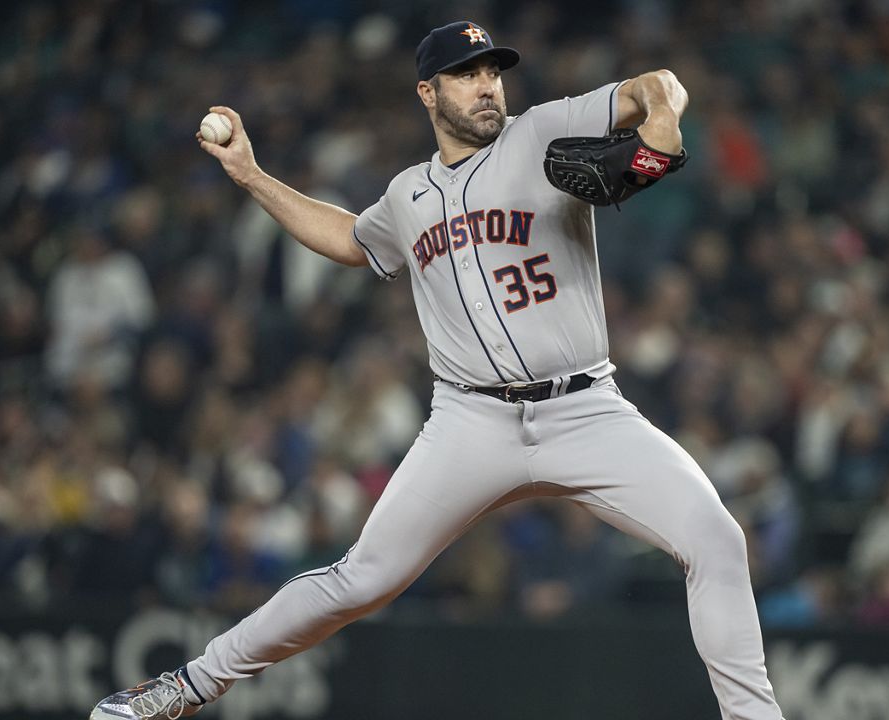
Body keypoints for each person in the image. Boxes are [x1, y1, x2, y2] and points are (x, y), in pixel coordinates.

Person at [90, 20, 784, 720]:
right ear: (428, 91)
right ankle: (186, 687)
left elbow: (655, 86)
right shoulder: (407, 195)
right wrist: (250, 174)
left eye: (493, 71)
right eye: (466, 73)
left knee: (716, 538)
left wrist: (662, 121)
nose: (487, 85)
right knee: (360, 580)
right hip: (471, 421)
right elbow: (348, 237)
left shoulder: (540, 130)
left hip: (585, 409)